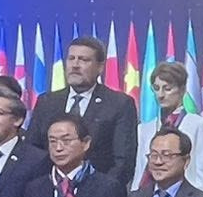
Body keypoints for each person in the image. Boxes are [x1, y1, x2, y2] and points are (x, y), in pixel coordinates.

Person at [27, 38, 137, 185]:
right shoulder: (46, 102)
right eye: (71, 58)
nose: (75, 65)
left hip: (99, 192)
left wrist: (102, 192)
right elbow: (32, 152)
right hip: (50, 190)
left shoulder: (119, 104)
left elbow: (123, 162)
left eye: (83, 60)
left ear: (100, 67)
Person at [139, 62, 203, 190]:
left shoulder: (199, 126)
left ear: (182, 90)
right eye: (156, 88)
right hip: (149, 196)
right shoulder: (144, 129)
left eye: (167, 89)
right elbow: (140, 172)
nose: (160, 95)